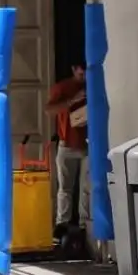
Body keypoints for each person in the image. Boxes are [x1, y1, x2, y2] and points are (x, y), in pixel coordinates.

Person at [47, 62, 89, 257]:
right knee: (65, 188)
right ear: (74, 69)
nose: (84, 76)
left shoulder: (92, 84)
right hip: (67, 144)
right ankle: (62, 226)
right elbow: (49, 109)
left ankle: (83, 226)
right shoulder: (63, 87)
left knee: (86, 188)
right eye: (81, 72)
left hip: (88, 145)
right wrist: (73, 100)